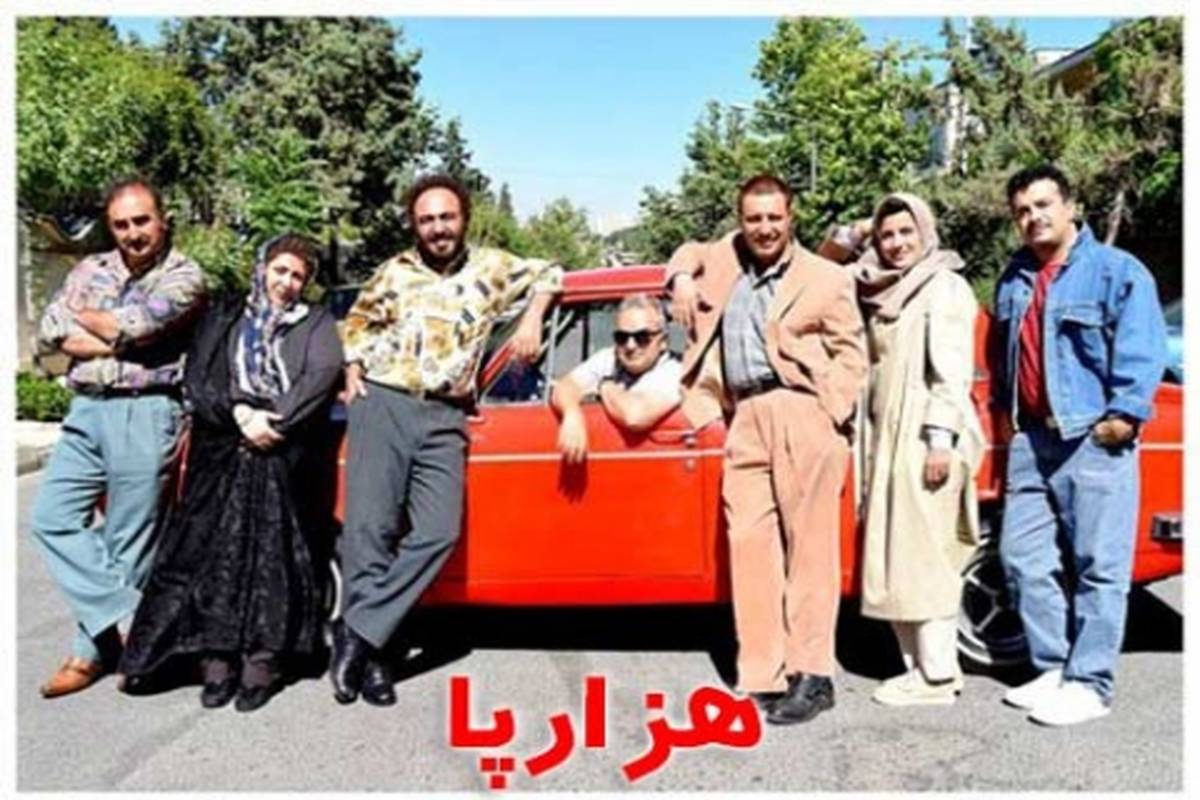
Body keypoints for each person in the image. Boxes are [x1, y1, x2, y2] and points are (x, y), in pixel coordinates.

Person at [331, 174, 563, 706]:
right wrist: (352, 366)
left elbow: (552, 271)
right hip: (384, 402)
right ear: (415, 226)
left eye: (447, 217)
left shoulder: (493, 267)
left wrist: (533, 317)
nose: (438, 228)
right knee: (371, 532)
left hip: (445, 413)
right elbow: (358, 323)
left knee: (438, 531)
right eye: (427, 220)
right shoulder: (394, 271)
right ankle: (377, 662)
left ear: (464, 219)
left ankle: (357, 630)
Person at [665, 174, 867, 725]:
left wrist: (832, 411)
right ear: (741, 222)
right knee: (750, 546)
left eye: (774, 217)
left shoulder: (825, 276)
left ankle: (813, 675)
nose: (765, 228)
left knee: (810, 550)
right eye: (754, 219)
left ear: (791, 217)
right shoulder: (725, 263)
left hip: (803, 408)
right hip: (744, 414)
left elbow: (852, 353)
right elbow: (688, 252)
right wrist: (680, 278)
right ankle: (763, 672)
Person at [118, 234, 343, 712]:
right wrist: (239, 414)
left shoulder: (316, 322)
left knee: (273, 562)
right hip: (220, 448)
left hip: (284, 453)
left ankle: (263, 663)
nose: (286, 282)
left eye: (298, 276)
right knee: (214, 560)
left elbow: (321, 375)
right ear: (262, 269)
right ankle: (216, 661)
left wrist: (273, 420)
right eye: (280, 270)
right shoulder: (224, 315)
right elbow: (200, 377)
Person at [992, 164, 1166, 726]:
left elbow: (1141, 348)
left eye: (1043, 205)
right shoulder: (1015, 277)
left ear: (1071, 207)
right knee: (1022, 557)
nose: (1033, 217)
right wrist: (1005, 415)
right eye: (1023, 210)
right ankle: (1052, 667)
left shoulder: (1116, 271)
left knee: (1099, 565)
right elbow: (1003, 353)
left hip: (1091, 436)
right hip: (1032, 438)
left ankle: (1090, 684)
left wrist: (1123, 417)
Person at [30, 178, 207, 698]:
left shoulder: (184, 275)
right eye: (121, 224)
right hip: (86, 409)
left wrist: (95, 328)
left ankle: (88, 656)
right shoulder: (91, 268)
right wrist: (111, 334)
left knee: (128, 540)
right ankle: (134, 618)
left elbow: (137, 326)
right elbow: (49, 328)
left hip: (145, 410)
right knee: (51, 518)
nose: (133, 233)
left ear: (163, 219)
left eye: (141, 221)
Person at [821, 194, 984, 706]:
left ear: (925, 233)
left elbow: (951, 372)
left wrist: (939, 440)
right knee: (894, 556)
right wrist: (851, 234)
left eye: (905, 232)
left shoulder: (943, 286)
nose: (895, 244)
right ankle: (915, 669)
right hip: (883, 435)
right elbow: (820, 275)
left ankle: (938, 676)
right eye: (887, 234)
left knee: (925, 556)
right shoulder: (880, 286)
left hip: (922, 433)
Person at [552, 293, 683, 462]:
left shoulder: (677, 371)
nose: (630, 345)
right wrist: (572, 414)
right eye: (622, 337)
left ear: (663, 341)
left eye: (642, 337)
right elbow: (564, 386)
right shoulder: (609, 358)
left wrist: (604, 387)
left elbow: (635, 417)